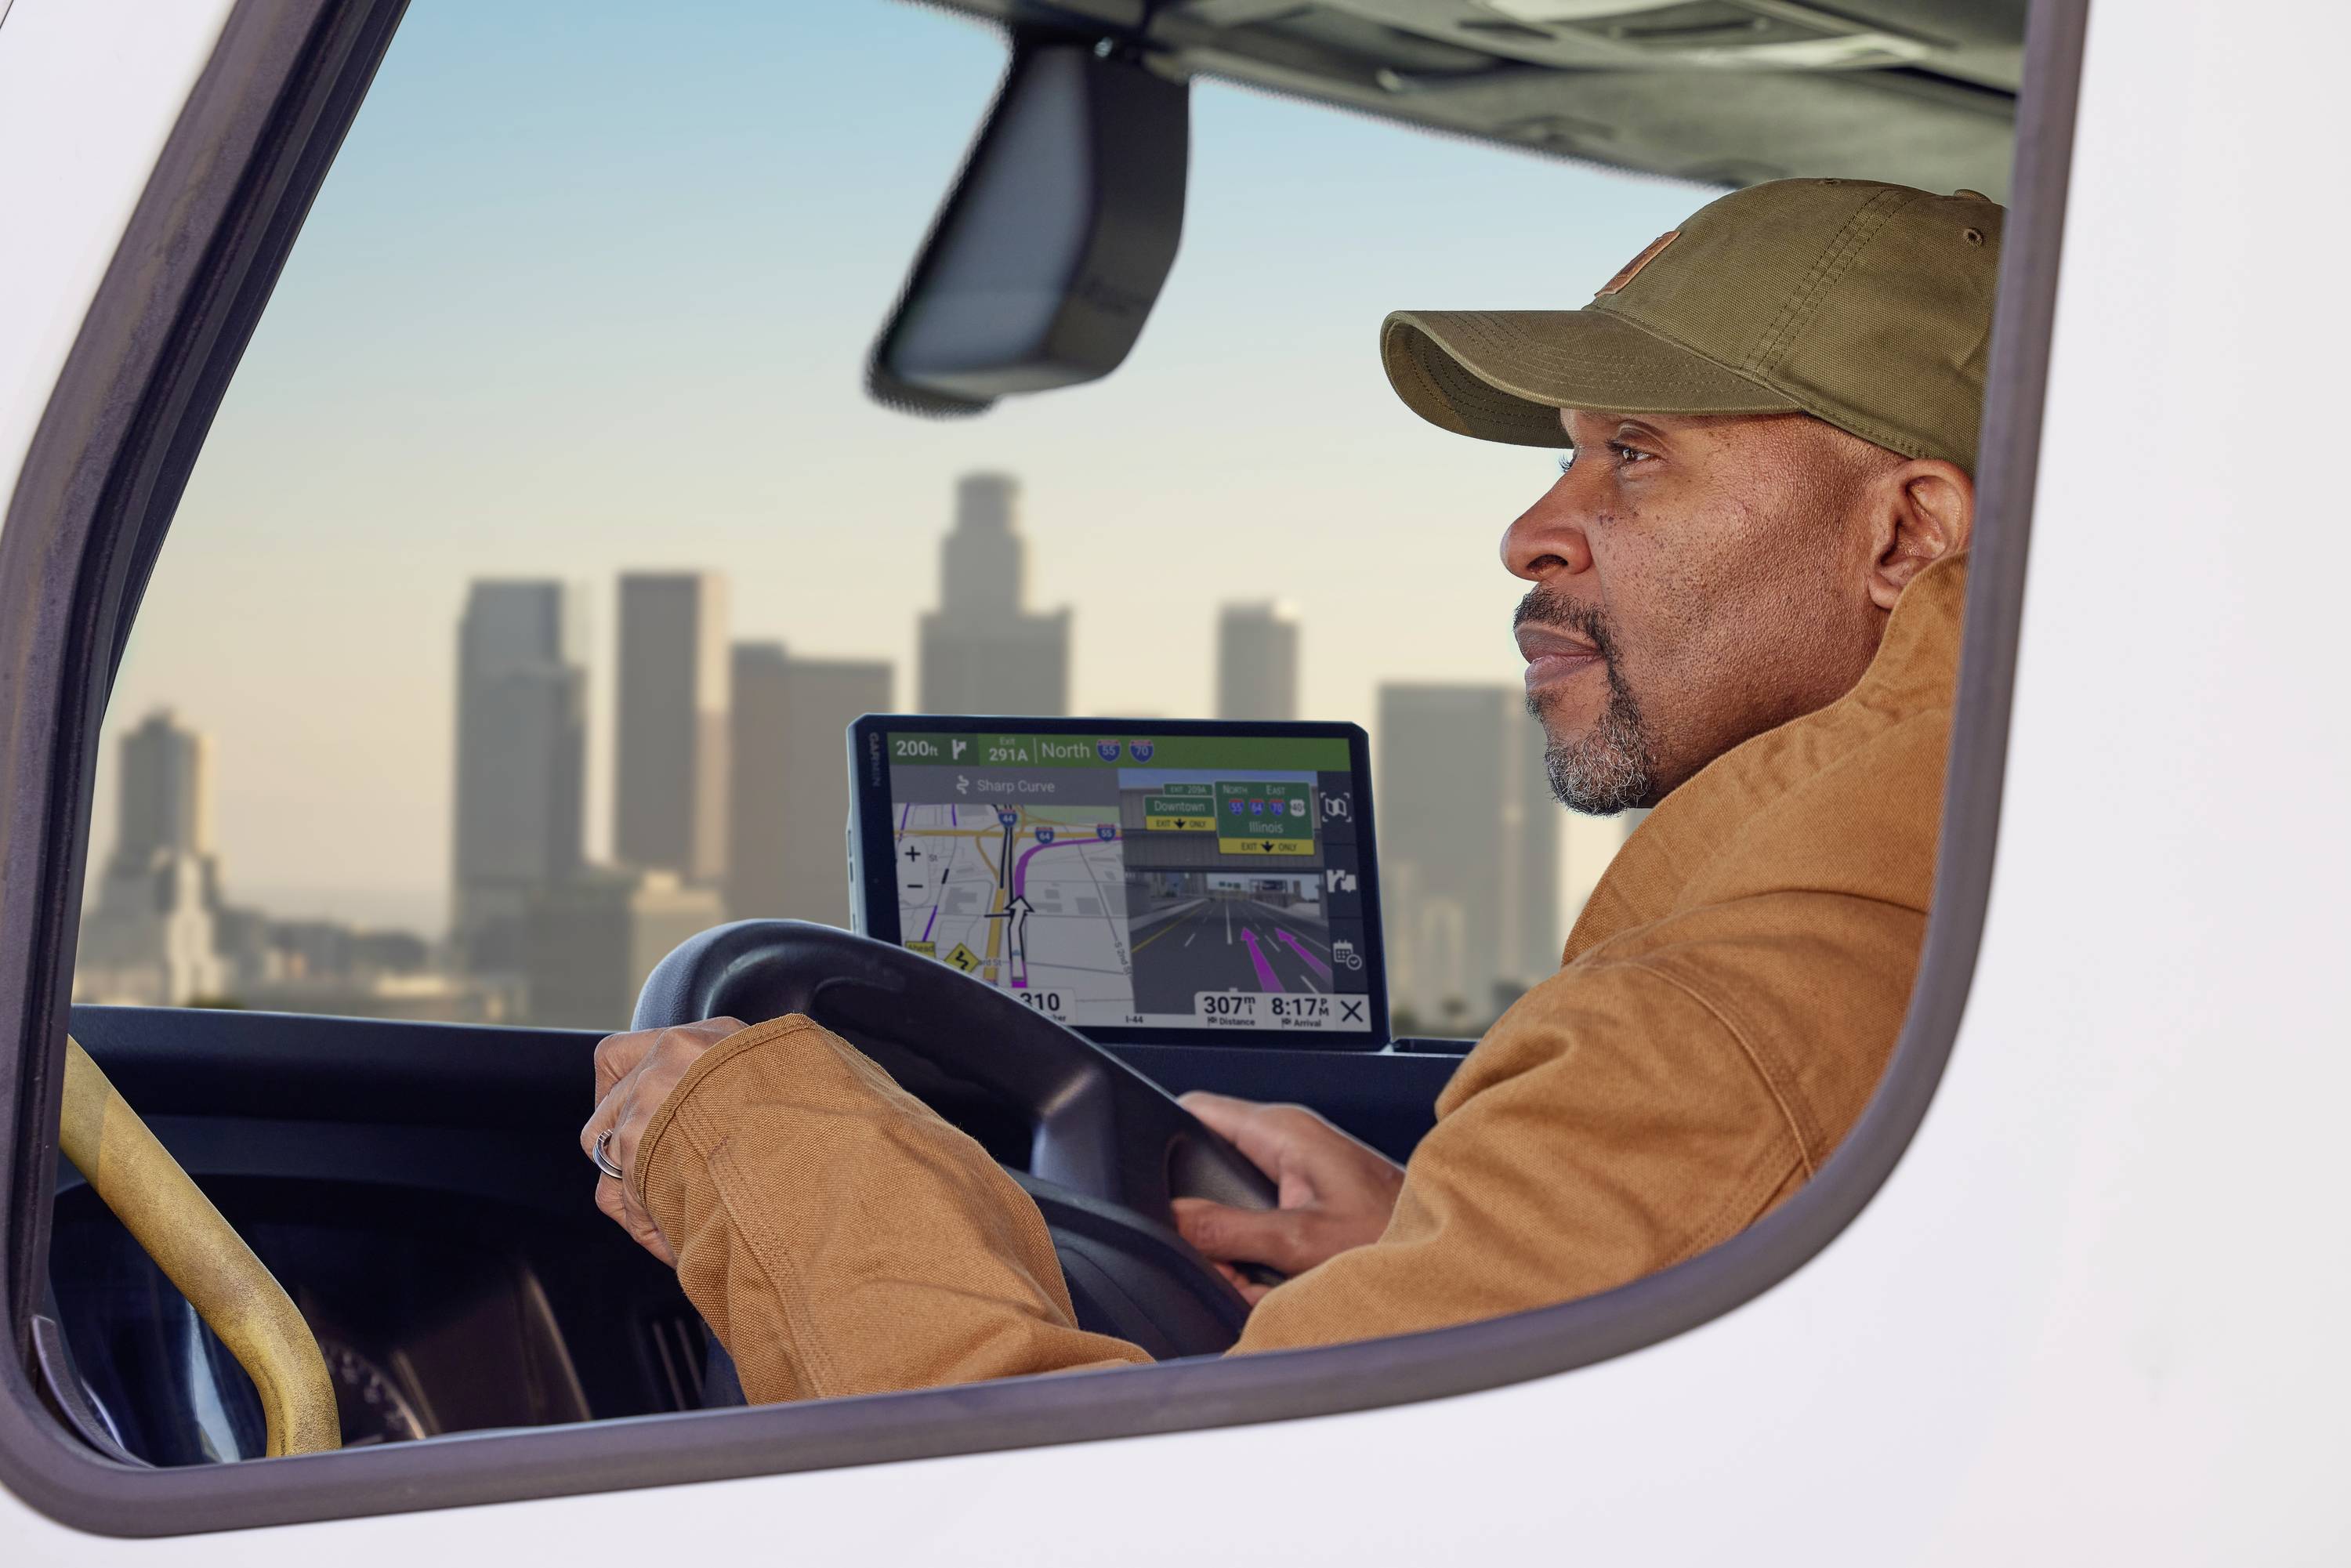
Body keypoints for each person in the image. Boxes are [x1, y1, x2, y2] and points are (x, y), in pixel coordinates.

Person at [581, 177, 2000, 1402]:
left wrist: (778, 1166)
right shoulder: (1977, 929)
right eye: (1567, 453)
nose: (1529, 532)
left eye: (1636, 455)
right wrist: (1437, 1250)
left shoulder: (1698, 1042)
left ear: (1908, 533)